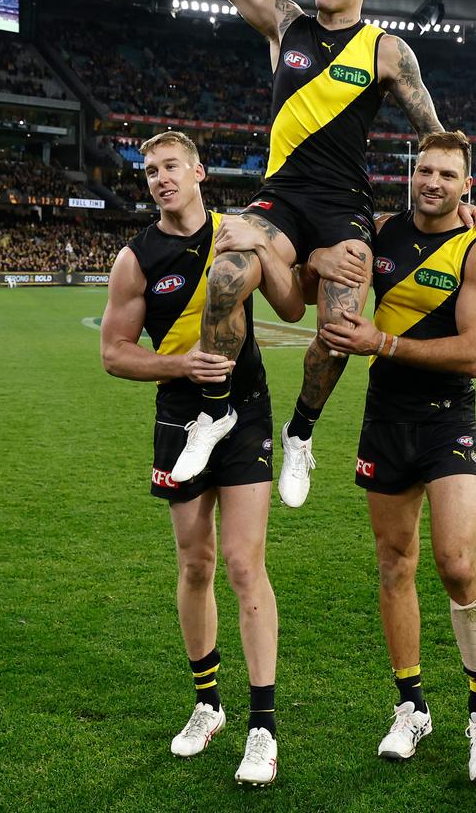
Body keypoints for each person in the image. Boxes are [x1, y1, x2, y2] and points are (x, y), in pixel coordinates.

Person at [117, 0, 470, 509]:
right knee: (224, 274)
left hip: (344, 209)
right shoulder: (286, 24)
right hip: (280, 197)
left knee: (338, 328)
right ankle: (215, 411)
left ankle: (300, 433)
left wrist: (466, 200)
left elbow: (436, 134)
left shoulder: (388, 51)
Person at [100, 131, 303, 787]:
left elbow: (292, 304)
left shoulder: (240, 230)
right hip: (177, 416)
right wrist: (176, 363)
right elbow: (114, 352)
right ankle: (207, 704)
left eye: (169, 167)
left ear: (198, 171)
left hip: (245, 413)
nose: (158, 178)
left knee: (245, 565)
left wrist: (267, 255)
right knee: (195, 563)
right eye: (149, 170)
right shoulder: (136, 259)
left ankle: (263, 727)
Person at [319, 131, 476, 782]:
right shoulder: (380, 234)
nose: (432, 181)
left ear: (467, 185)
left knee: (457, 563)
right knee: (394, 564)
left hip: (447, 419)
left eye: (446, 174)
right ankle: (411, 707)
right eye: (424, 170)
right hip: (385, 420)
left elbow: (474, 353)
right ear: (413, 173)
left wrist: (385, 343)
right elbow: (324, 265)